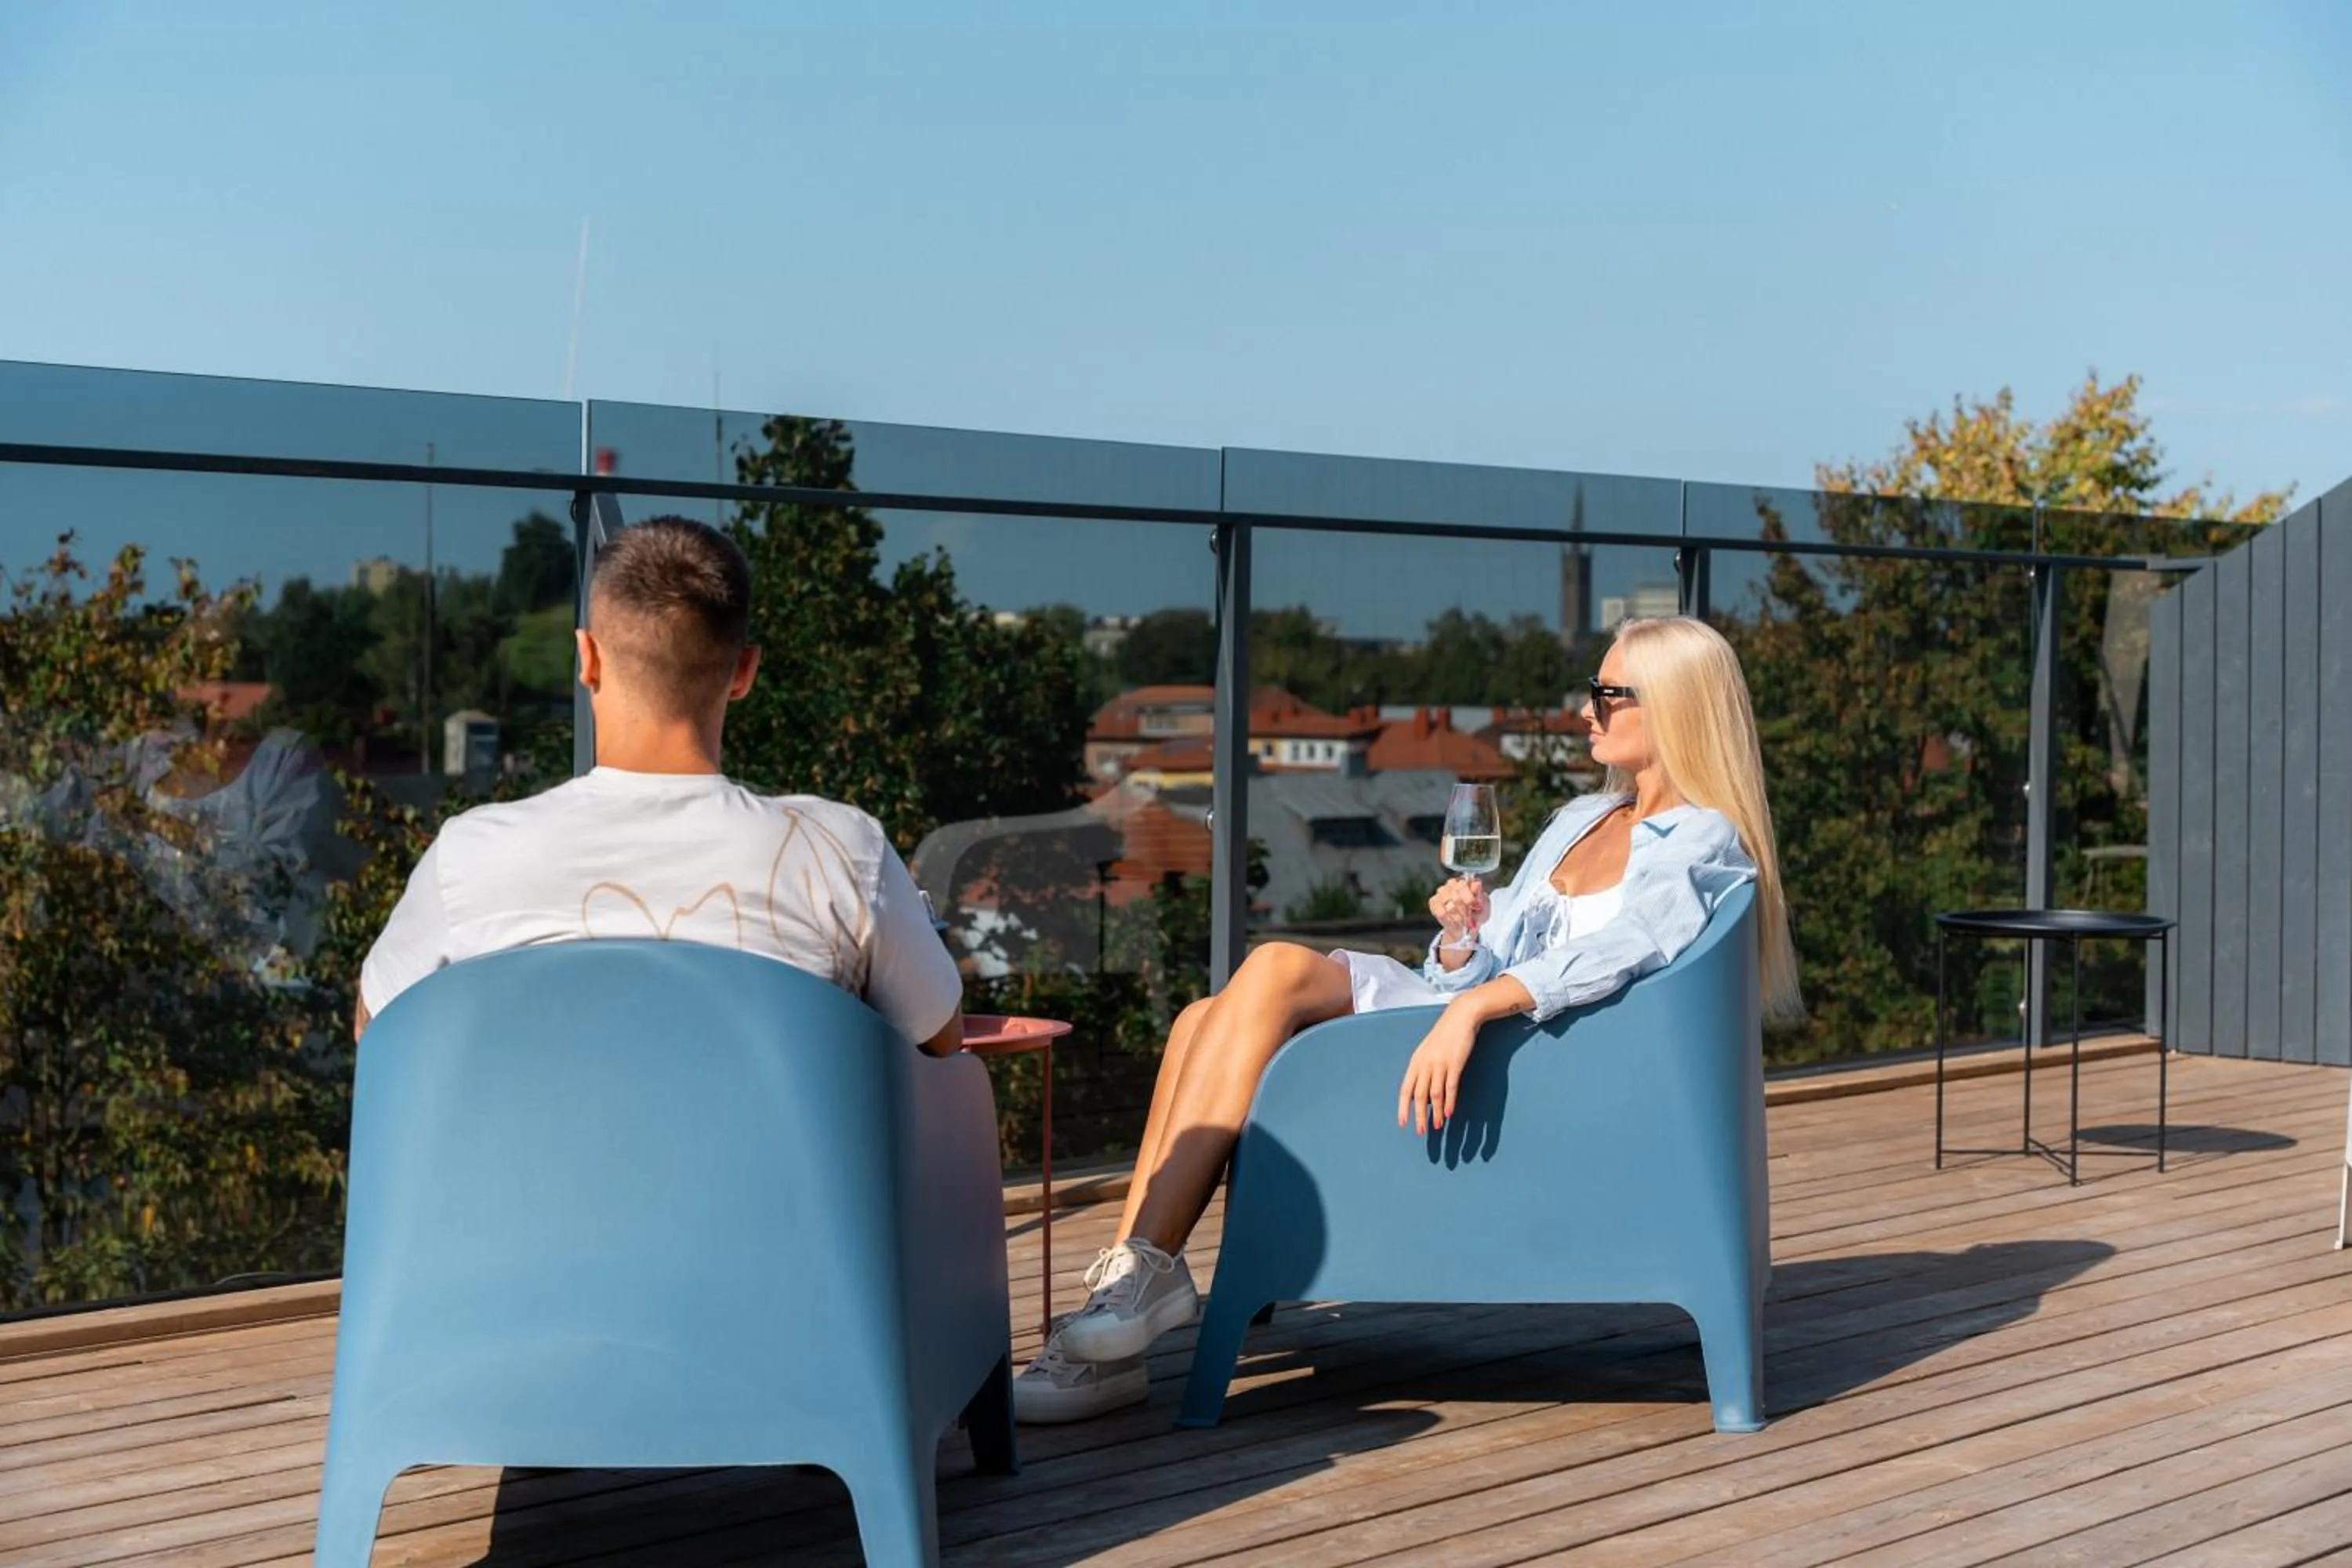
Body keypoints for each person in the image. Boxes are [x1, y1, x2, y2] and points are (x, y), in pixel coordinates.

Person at [1014, 615, 1803, 1424]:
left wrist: (1476, 1005)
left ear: (1671, 706)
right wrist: (1463, 940)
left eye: (1607, 694)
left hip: (1528, 1061)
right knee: (1200, 1019)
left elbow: (1625, 952)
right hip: (1475, 1027)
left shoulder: (1701, 841)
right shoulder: (1582, 819)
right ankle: (1131, 1284)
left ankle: (1140, 1286)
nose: (1587, 711)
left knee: (1278, 967)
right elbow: (1478, 961)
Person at [355, 517, 964, 1062]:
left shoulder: (471, 856)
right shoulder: (841, 852)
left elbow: (376, 1030)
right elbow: (941, 1039)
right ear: (745, 672)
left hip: (526, 1186)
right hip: (772, 1191)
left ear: (586, 658)